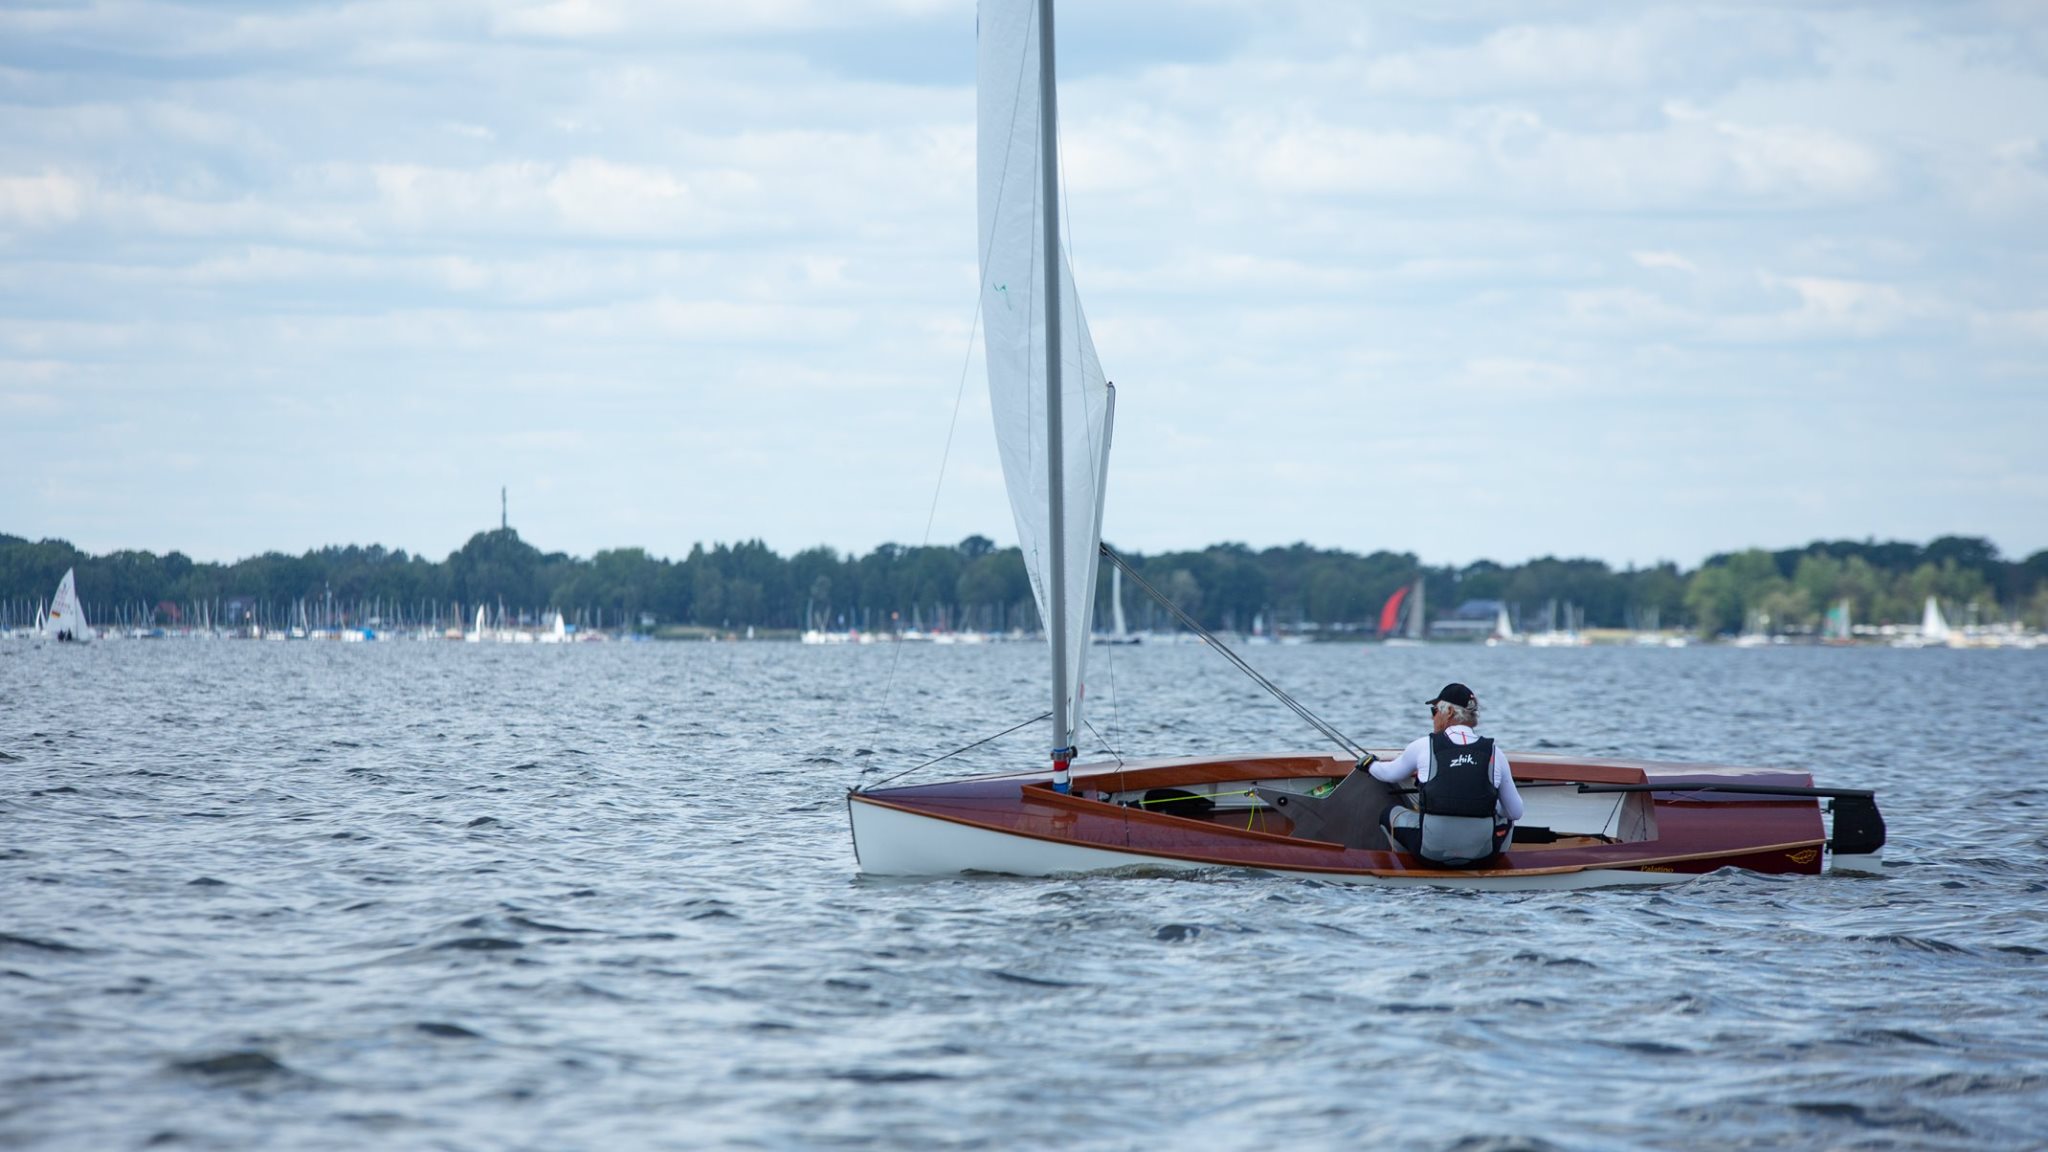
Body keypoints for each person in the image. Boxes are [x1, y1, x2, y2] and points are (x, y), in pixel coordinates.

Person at [1367, 682, 1524, 867]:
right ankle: (1497, 868)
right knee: (1507, 818)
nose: (1432, 717)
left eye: (1434, 711)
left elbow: (1389, 774)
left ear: (1449, 712)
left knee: (1389, 814)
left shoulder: (1423, 746)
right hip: (1482, 856)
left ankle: (1407, 868)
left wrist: (1370, 764)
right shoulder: (1496, 753)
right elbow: (1515, 812)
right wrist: (1491, 806)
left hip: (1430, 854)